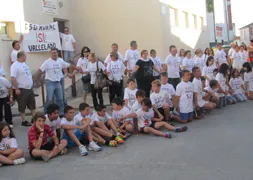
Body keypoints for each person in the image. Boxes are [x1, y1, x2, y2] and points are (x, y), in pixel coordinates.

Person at [34, 48, 77, 116]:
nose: (54, 54)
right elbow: (40, 70)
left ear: (58, 53)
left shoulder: (60, 60)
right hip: (50, 82)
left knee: (60, 98)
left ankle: (61, 113)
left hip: (58, 82)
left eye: (55, 52)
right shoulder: (47, 62)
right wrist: (35, 78)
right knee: (50, 98)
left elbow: (68, 65)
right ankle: (46, 112)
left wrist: (76, 68)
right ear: (50, 53)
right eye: (52, 53)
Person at [10, 51, 35, 126]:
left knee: (32, 103)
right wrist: (17, 89)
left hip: (29, 88)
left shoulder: (24, 64)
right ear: (22, 56)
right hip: (22, 89)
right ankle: (23, 120)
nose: (26, 57)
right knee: (22, 105)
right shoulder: (15, 66)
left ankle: (34, 118)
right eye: (25, 56)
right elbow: (13, 78)